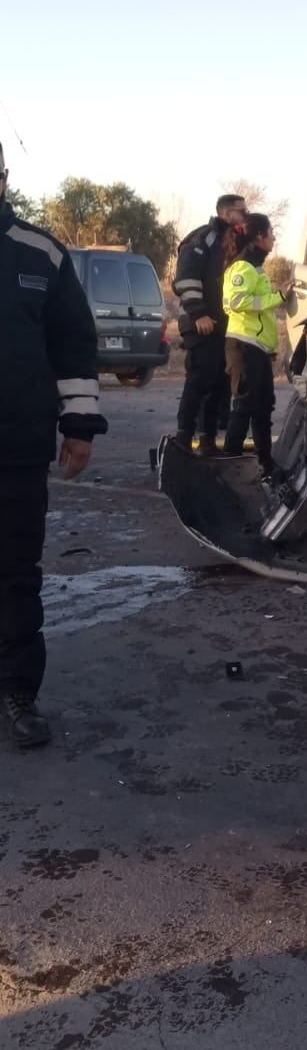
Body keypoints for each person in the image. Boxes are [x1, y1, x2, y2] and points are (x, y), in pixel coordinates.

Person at [0, 140, 107, 749]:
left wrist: (79, 426)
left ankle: (18, 692)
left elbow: (73, 343)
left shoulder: (41, 253)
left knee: (14, 574)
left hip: (14, 449)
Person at [173, 193, 247, 454]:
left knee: (219, 382)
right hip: (200, 322)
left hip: (225, 325)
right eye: (242, 210)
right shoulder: (202, 239)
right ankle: (183, 438)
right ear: (227, 213)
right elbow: (186, 279)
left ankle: (207, 440)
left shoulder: (234, 243)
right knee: (199, 380)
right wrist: (199, 314)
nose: (246, 214)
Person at [222, 214, 291, 477]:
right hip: (243, 347)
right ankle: (229, 466)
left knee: (263, 407)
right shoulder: (242, 268)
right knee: (244, 406)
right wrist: (278, 297)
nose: (274, 238)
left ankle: (265, 464)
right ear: (259, 237)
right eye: (271, 233)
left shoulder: (256, 269)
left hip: (257, 349)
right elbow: (235, 302)